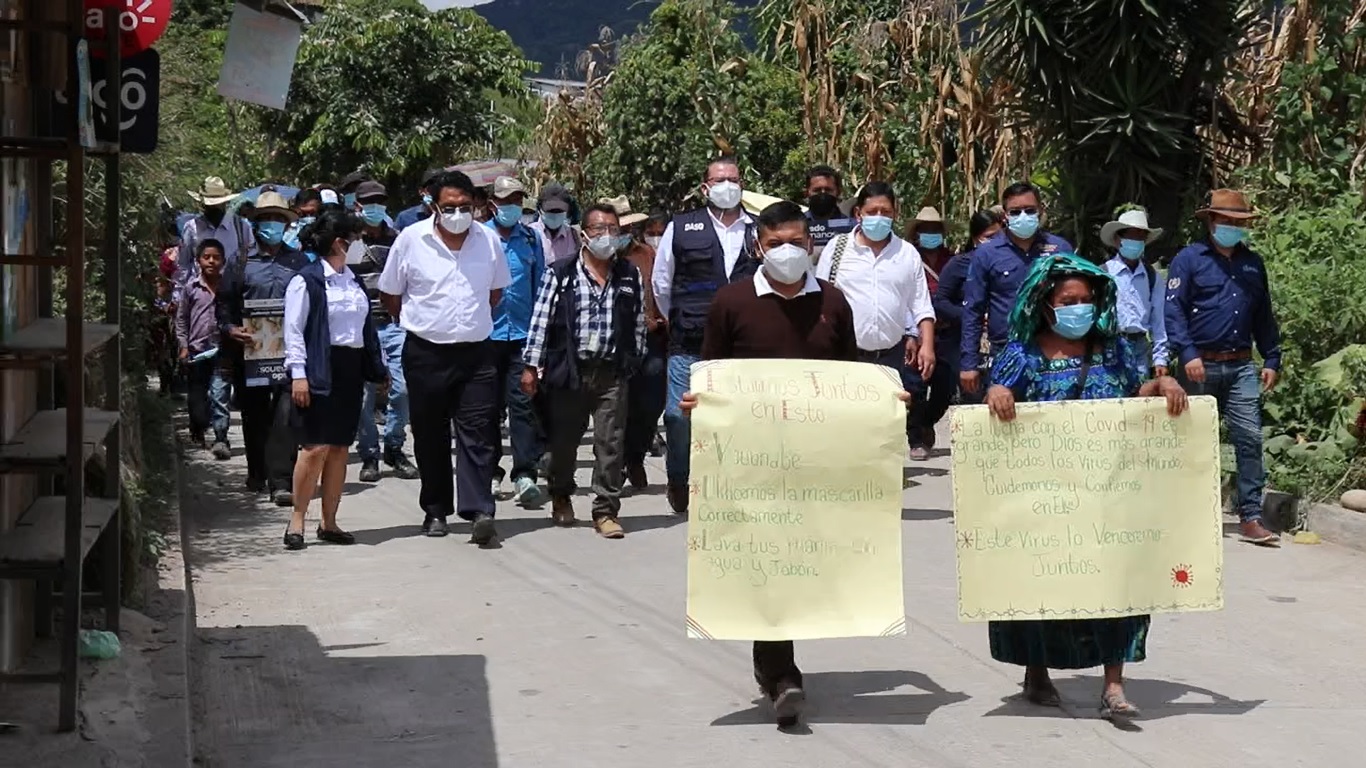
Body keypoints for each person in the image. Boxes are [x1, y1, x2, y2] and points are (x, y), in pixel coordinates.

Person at [679, 201, 909, 729]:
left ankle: (779, 668)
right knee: (768, 556)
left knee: (811, 555)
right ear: (760, 245)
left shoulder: (832, 301)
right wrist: (701, 403)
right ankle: (781, 672)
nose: (787, 252)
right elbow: (712, 372)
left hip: (820, 458)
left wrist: (883, 403)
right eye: (776, 242)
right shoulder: (731, 301)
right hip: (754, 461)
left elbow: (852, 377)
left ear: (811, 245)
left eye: (796, 242)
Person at [983, 252, 1188, 721]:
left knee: (1116, 584)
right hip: (1042, 496)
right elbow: (996, 402)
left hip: (1109, 491)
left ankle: (1113, 685)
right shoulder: (1023, 353)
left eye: (1086, 300)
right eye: (1068, 300)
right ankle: (1037, 672)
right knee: (1045, 583)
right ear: (1046, 305)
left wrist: (1161, 386)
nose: (1080, 308)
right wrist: (997, 392)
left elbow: (1134, 398)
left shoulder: (1113, 349)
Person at [378, 171, 511, 545]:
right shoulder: (410, 240)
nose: (458, 214)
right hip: (425, 352)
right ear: (433, 206)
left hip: (476, 353)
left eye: (465, 207)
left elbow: (495, 292)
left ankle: (480, 509)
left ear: (476, 206)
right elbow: (391, 294)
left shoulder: (488, 241)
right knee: (429, 434)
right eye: (449, 207)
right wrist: (422, 321)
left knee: (478, 431)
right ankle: (435, 509)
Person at [521, 204, 647, 537]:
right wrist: (531, 367)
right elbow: (540, 321)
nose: (606, 236)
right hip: (570, 371)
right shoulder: (560, 273)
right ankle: (561, 494)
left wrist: (635, 360)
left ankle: (605, 510)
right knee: (564, 442)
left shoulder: (628, 274)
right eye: (598, 229)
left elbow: (637, 321)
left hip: (612, 371)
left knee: (610, 443)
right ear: (583, 234)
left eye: (613, 230)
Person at [1165, 188, 1281, 545]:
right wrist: (1188, 354)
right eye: (1226, 221)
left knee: (1249, 438)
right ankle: (1190, 513)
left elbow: (1263, 315)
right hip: (1200, 365)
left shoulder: (1252, 263)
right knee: (1193, 441)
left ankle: (1250, 516)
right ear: (1211, 221)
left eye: (1238, 222)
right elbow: (1173, 311)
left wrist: (1272, 357)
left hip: (1242, 365)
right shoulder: (1189, 260)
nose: (1232, 227)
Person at [651, 156, 758, 516]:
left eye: (734, 179)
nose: (728, 185)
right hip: (689, 339)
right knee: (679, 416)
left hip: (743, 344)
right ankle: (679, 477)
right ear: (705, 187)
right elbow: (662, 283)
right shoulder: (681, 228)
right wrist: (681, 318)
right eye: (720, 179)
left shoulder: (757, 230)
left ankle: (730, 484)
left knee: (739, 417)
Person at [282, 210, 384, 550]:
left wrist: (376, 368)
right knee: (315, 448)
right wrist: (299, 375)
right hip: (318, 367)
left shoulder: (352, 280)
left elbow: (365, 328)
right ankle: (297, 520)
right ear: (340, 242)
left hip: (350, 368)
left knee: (340, 447)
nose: (359, 245)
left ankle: (330, 522)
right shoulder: (307, 280)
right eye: (355, 239)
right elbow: (294, 330)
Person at [813, 182, 935, 456]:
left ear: (895, 214)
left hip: (890, 355)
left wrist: (927, 345)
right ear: (858, 213)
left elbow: (921, 305)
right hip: (847, 354)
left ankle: (881, 481)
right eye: (873, 211)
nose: (879, 217)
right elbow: (820, 298)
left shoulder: (906, 253)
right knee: (848, 419)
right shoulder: (837, 249)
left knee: (885, 420)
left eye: (886, 212)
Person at [218, 190, 310, 504]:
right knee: (255, 416)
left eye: (278, 220)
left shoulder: (298, 260)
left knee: (286, 414)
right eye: (266, 219)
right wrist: (231, 329)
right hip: (251, 354)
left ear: (287, 225)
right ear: (257, 224)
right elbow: (224, 305)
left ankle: (281, 482)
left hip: (289, 354)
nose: (272, 224)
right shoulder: (241, 260)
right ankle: (258, 470)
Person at [960, 182, 1073, 398]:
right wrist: (969, 363)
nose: (1024, 215)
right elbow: (973, 310)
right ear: (1005, 215)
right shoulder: (987, 254)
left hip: (1054, 349)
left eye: (1030, 210)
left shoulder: (1060, 249)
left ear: (1040, 210)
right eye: (1016, 211)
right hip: (1005, 350)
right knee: (1005, 415)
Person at [486, 175, 551, 505]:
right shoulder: (478, 239)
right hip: (485, 335)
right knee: (487, 409)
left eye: (517, 200)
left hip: (523, 336)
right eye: (505, 200)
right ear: (492, 203)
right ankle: (490, 472)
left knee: (523, 406)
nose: (511, 206)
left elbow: (542, 287)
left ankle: (525, 473)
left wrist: (544, 336)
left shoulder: (530, 238)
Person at [347, 180, 419, 482]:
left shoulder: (399, 239)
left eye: (380, 201)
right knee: (363, 395)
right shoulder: (347, 241)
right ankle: (369, 453)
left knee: (402, 390)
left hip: (394, 323)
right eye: (369, 202)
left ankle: (394, 446)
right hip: (361, 327)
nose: (375, 207)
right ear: (358, 206)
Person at [934, 209, 1002, 407]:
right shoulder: (959, 264)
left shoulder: (1008, 261)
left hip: (999, 341)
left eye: (999, 236)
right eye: (989, 237)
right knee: (976, 397)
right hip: (966, 341)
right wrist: (972, 316)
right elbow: (941, 302)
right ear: (975, 239)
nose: (995, 242)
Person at [904, 205, 956, 459]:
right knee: (915, 387)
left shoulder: (952, 260)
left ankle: (926, 422)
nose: (931, 234)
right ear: (917, 233)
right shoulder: (907, 258)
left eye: (936, 230)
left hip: (946, 334)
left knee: (944, 387)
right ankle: (916, 438)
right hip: (916, 333)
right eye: (926, 230)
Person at [622, 209, 669, 488]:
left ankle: (635, 454)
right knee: (616, 406)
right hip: (615, 341)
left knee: (651, 403)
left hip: (652, 338)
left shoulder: (649, 255)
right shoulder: (602, 257)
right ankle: (615, 466)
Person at [176, 239, 231, 456]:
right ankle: (197, 428)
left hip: (222, 350)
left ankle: (221, 439)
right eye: (206, 257)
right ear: (198, 260)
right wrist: (183, 346)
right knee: (197, 397)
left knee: (219, 393)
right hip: (197, 351)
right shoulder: (191, 288)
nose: (211, 261)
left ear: (223, 260)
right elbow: (182, 320)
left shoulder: (228, 286)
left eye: (216, 257)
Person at [1100, 208, 1169, 376]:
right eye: (1130, 236)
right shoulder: (1103, 273)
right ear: (1117, 240)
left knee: (1139, 394)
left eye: (1139, 237)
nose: (1135, 241)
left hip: (1140, 345)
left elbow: (1159, 319)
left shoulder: (1152, 277)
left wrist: (1160, 358)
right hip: (1110, 343)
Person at [176, 177, 257, 297]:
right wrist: (179, 296)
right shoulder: (192, 228)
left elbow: (252, 260)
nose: (214, 208)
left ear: (225, 203)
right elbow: (183, 264)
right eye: (210, 205)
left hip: (233, 295)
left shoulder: (241, 227)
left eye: (217, 204)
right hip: (200, 296)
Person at [803, 165, 856, 260]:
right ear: (807, 193)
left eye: (828, 190)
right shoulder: (799, 225)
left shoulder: (851, 228)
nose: (823, 193)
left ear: (838, 192)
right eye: (817, 190)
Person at [530, 182, 581, 265]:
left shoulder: (574, 236)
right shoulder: (529, 234)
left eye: (559, 211)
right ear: (540, 210)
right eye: (550, 210)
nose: (555, 214)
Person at [394, 169, 441, 233]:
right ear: (421, 191)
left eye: (439, 189)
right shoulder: (405, 217)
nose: (435, 193)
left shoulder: (452, 217)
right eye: (431, 189)